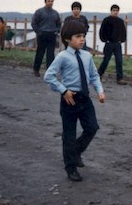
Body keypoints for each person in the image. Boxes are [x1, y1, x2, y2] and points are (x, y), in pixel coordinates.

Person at [43, 20, 106, 182]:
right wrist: (63, 90)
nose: (82, 39)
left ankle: (76, 151)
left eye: (83, 36)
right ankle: (70, 168)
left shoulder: (87, 56)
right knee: (69, 135)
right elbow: (49, 76)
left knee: (92, 127)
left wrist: (99, 91)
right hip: (69, 99)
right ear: (67, 39)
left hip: (84, 98)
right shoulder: (62, 57)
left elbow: (93, 75)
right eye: (78, 36)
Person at [31, 0, 61, 77]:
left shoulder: (55, 13)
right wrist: (38, 32)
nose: (50, 2)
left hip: (52, 35)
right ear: (45, 2)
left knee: (51, 54)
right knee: (40, 52)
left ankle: (50, 72)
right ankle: (36, 69)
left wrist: (57, 31)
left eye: (52, 1)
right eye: (49, 1)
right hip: (42, 34)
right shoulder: (39, 12)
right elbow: (34, 23)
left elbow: (59, 24)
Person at [97, 4, 127, 85]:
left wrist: (122, 40)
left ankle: (120, 78)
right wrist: (104, 40)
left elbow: (123, 32)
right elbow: (101, 31)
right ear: (111, 11)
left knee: (119, 61)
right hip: (109, 43)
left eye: (117, 11)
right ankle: (98, 75)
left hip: (117, 44)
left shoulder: (120, 21)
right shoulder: (106, 20)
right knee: (106, 60)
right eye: (114, 10)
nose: (115, 12)